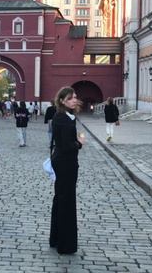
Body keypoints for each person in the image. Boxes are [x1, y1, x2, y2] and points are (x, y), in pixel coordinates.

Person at [49, 86, 85, 255]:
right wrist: (79, 143)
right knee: (66, 201)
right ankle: (65, 244)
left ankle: (56, 238)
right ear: (62, 101)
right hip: (65, 163)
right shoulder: (63, 118)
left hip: (64, 162)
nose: (74, 100)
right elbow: (66, 145)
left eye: (75, 97)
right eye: (70, 98)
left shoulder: (66, 116)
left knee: (61, 199)